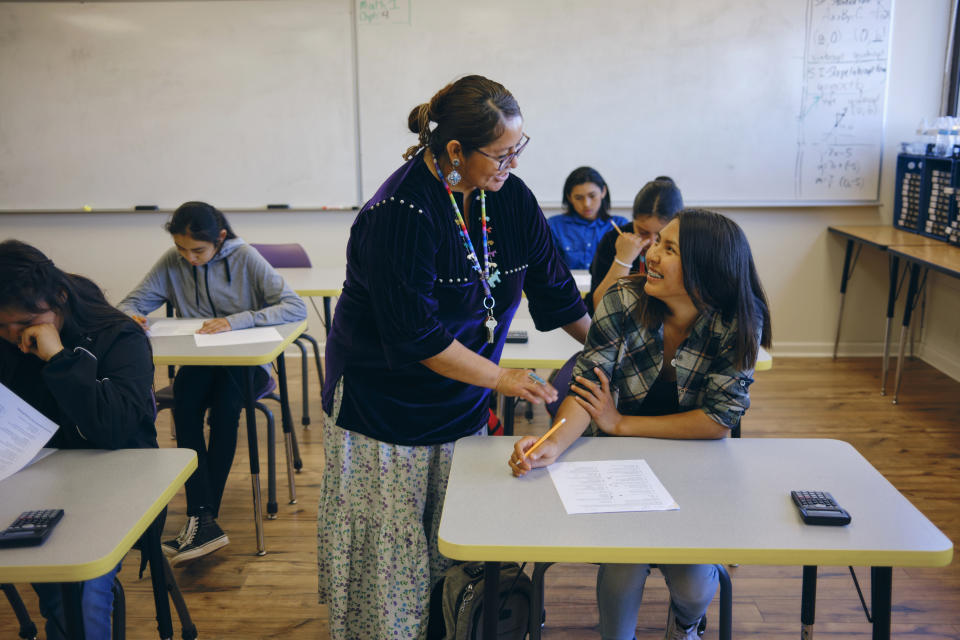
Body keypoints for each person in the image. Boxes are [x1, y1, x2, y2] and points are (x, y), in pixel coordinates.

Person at [318, 74, 590, 639]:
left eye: (520, 147)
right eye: (501, 152)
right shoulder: (400, 211)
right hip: (383, 406)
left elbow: (558, 293)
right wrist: (503, 377)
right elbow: (417, 337)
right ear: (454, 151)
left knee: (454, 547)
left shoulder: (509, 198)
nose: (512, 162)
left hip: (460, 404)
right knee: (392, 565)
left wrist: (615, 348)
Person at [510, 209, 772, 640]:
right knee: (621, 568)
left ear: (707, 269)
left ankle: (686, 625)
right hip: (619, 464)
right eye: (656, 241)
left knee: (691, 584)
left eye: (669, 248)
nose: (651, 252)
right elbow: (586, 391)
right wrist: (550, 446)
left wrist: (619, 423)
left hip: (694, 464)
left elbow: (718, 420)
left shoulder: (739, 319)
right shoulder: (623, 299)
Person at [118, 201, 306, 565]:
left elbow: (294, 307)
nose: (189, 258)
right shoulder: (172, 261)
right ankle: (203, 520)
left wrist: (239, 320)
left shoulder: (245, 257)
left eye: (198, 250)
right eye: (181, 249)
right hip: (202, 359)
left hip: (246, 363)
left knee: (224, 412)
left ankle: (203, 517)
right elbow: (131, 302)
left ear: (220, 238)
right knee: (185, 410)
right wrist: (132, 317)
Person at [0, 239, 157, 640]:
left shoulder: (118, 336)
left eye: (20, 323)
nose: (11, 335)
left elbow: (114, 428)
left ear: (59, 298)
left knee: (75, 596)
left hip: (111, 486)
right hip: (25, 482)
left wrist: (58, 359)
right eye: (1, 325)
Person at [589, 176, 683, 311]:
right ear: (633, 219)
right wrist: (622, 260)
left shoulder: (686, 244)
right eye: (643, 232)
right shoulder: (613, 240)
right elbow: (599, 307)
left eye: (660, 235)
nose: (651, 243)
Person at [547, 166, 629, 271]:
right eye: (579, 198)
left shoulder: (619, 225)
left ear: (603, 192)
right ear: (569, 197)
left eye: (592, 196)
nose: (586, 204)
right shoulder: (554, 226)